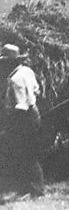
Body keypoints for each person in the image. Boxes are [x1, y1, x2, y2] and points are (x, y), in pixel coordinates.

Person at [0, 44, 45, 198]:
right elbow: (37, 90)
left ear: (10, 63)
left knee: (25, 154)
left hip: (24, 118)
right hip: (34, 113)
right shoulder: (27, 71)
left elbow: (21, 107)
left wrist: (11, 127)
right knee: (30, 153)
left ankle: (35, 190)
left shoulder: (14, 80)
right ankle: (30, 188)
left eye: (4, 62)